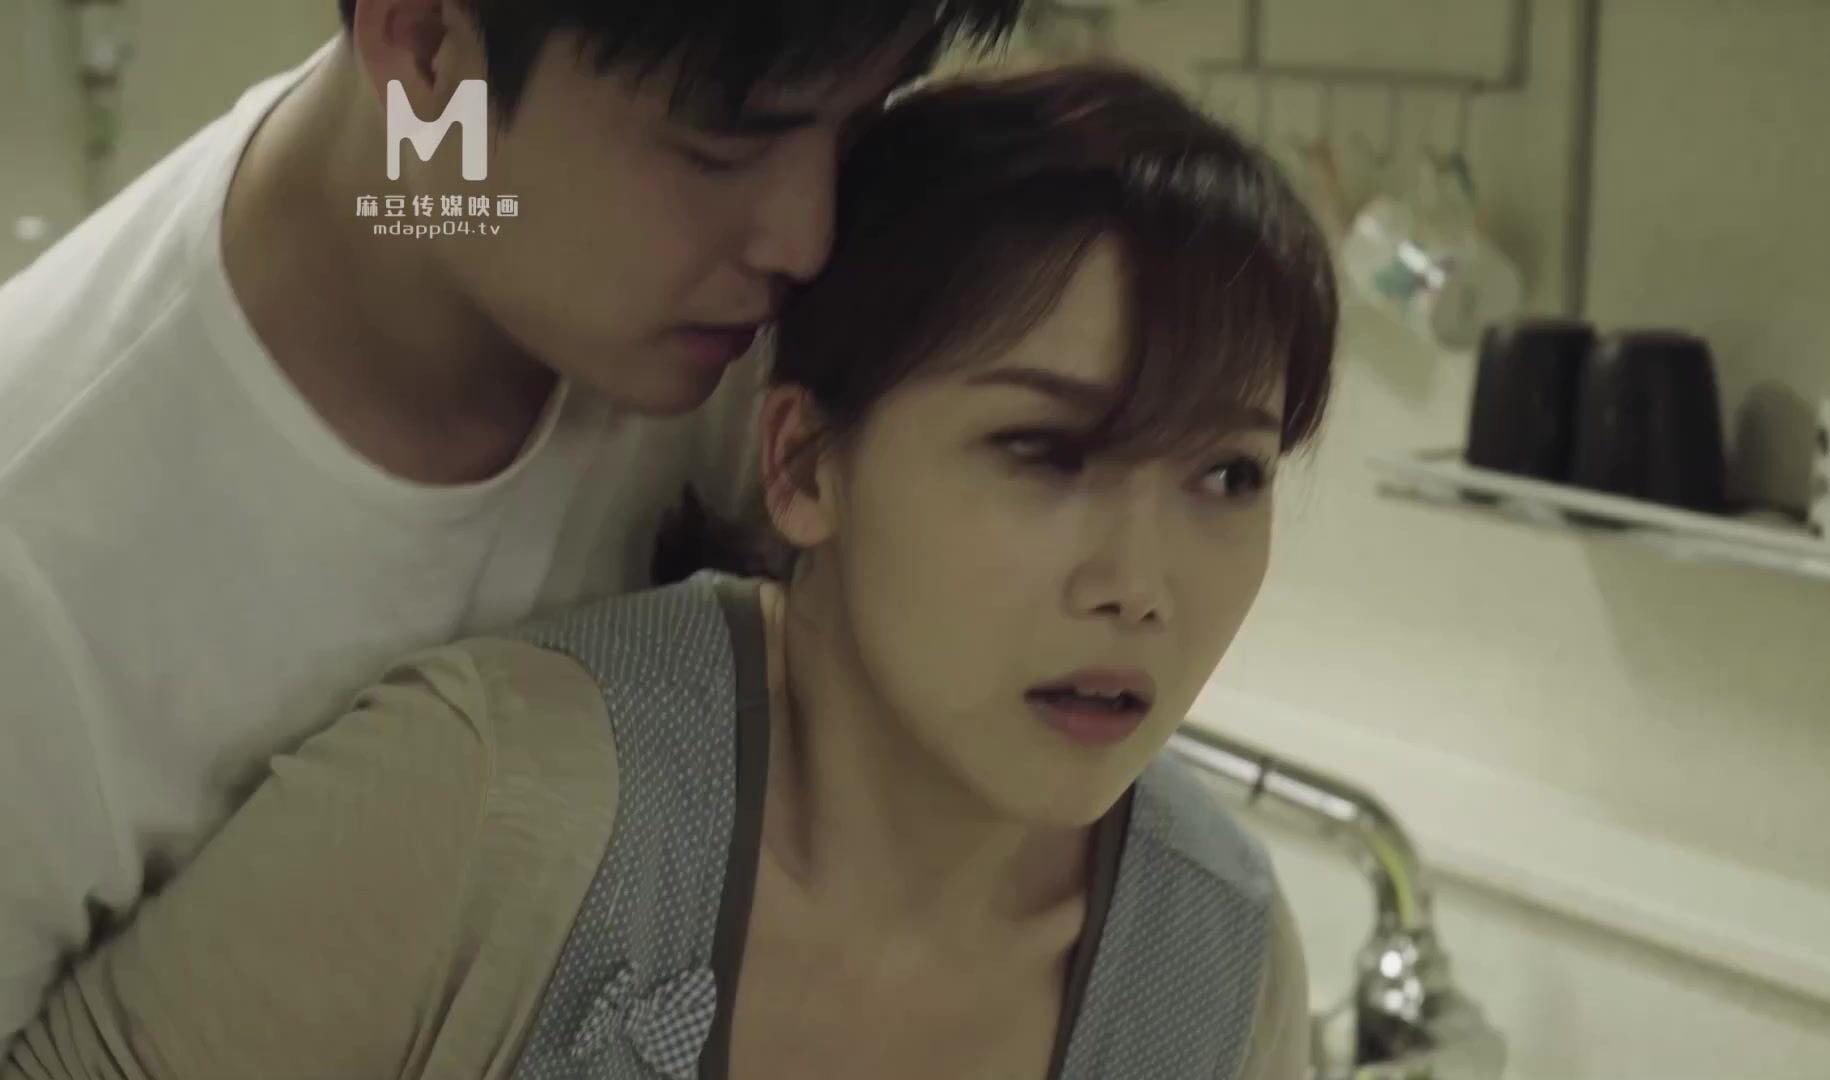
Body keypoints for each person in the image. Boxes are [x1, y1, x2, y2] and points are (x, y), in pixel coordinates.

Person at [2, 62, 1340, 1080]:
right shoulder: (492, 808)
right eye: (1044, 452)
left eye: (1230, 475)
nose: (1140, 586)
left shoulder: (1213, 954)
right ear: (800, 464)